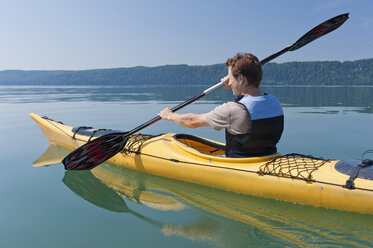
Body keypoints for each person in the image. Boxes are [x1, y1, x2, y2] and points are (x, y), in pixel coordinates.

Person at [158, 53, 284, 157]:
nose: (228, 81)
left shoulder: (231, 110)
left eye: (230, 77)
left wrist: (170, 116)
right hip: (268, 156)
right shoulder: (274, 102)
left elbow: (192, 121)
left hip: (239, 164)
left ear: (241, 79)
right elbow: (248, 104)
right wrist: (233, 86)